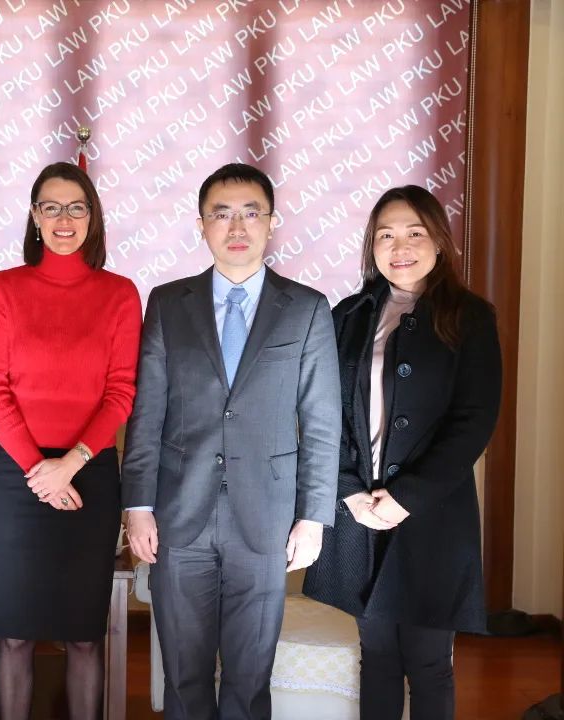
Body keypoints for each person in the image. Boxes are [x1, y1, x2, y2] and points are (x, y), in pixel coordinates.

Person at [121, 163, 342, 720]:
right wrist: (138, 505)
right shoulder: (168, 303)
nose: (236, 226)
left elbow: (321, 422)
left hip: (266, 519)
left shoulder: (308, 308)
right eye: (221, 214)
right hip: (179, 513)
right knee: (183, 675)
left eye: (250, 213)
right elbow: (147, 412)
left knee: (248, 678)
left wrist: (313, 517)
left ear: (272, 222)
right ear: (201, 225)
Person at [302, 186, 502, 720]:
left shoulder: (470, 317)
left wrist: (407, 496)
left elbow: (474, 421)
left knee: (429, 660)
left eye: (415, 232)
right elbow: (323, 415)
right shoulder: (348, 316)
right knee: (378, 656)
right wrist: (350, 491)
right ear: (372, 246)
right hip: (361, 513)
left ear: (439, 241)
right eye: (386, 235)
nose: (401, 246)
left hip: (431, 513)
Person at [0, 161, 142, 720]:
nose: (63, 219)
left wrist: (70, 464)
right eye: (51, 207)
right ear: (34, 216)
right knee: (14, 635)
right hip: (16, 480)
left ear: (92, 216)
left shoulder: (120, 294)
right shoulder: (4, 288)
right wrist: (40, 471)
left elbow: (120, 392)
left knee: (84, 636)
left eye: (76, 207)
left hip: (91, 476)